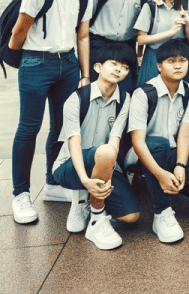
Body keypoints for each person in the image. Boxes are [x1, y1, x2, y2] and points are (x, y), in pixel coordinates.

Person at [10, 0, 94, 223]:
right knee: (29, 128)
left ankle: (52, 183)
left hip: (68, 65)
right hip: (36, 62)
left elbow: (82, 36)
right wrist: (20, 60)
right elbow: (19, 30)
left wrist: (85, 74)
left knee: (61, 126)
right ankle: (20, 195)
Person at [127, 40, 189, 243]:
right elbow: (137, 141)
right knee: (158, 144)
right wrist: (160, 173)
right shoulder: (143, 93)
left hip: (172, 154)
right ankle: (162, 213)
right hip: (143, 153)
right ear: (159, 65)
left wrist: (180, 165)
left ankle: (168, 181)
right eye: (171, 61)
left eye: (183, 60)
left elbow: (185, 134)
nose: (178, 65)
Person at [52, 42, 140, 249]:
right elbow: (73, 142)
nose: (120, 69)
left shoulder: (125, 99)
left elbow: (115, 139)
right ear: (98, 67)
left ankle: (88, 198)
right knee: (104, 152)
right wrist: (84, 179)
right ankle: (95, 217)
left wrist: (107, 170)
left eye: (125, 67)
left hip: (104, 161)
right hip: (70, 167)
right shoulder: (76, 98)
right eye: (114, 64)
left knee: (131, 217)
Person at [89, 0, 152, 94]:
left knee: (125, 92)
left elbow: (145, 24)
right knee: (94, 90)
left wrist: (139, 54)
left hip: (126, 46)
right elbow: (86, 18)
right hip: (99, 45)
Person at [135, 0, 189, 86]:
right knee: (150, 98)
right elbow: (141, 39)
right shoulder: (151, 6)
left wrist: (188, 22)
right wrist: (171, 32)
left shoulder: (188, 5)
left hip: (179, 61)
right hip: (155, 59)